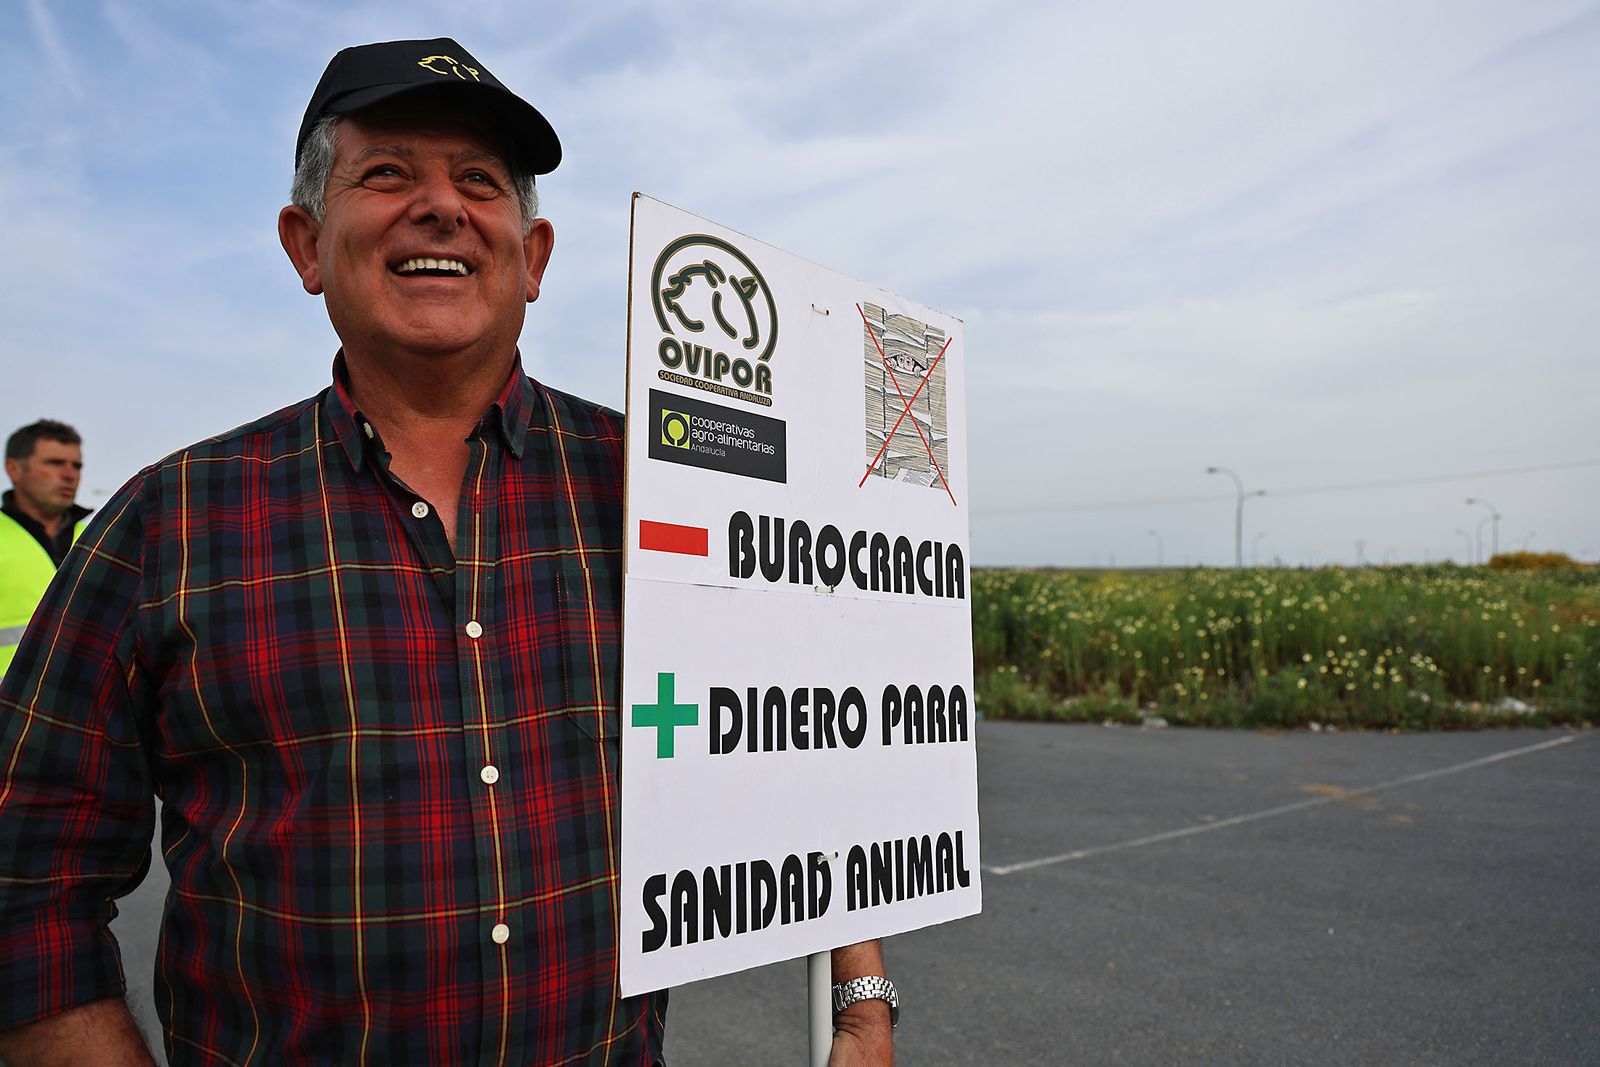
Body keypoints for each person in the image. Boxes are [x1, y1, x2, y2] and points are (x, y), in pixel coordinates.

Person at [0, 38, 894, 1066]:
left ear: (536, 255)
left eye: (480, 182)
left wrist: (860, 1001)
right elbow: (28, 890)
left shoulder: (666, 492)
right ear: (304, 242)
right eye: (386, 174)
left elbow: (826, 751)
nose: (442, 207)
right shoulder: (169, 524)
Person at [1, 419, 90, 676]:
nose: (69, 474)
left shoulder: (100, 540)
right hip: (10, 707)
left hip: (85, 707)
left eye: (76, 465)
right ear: (14, 469)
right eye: (54, 463)